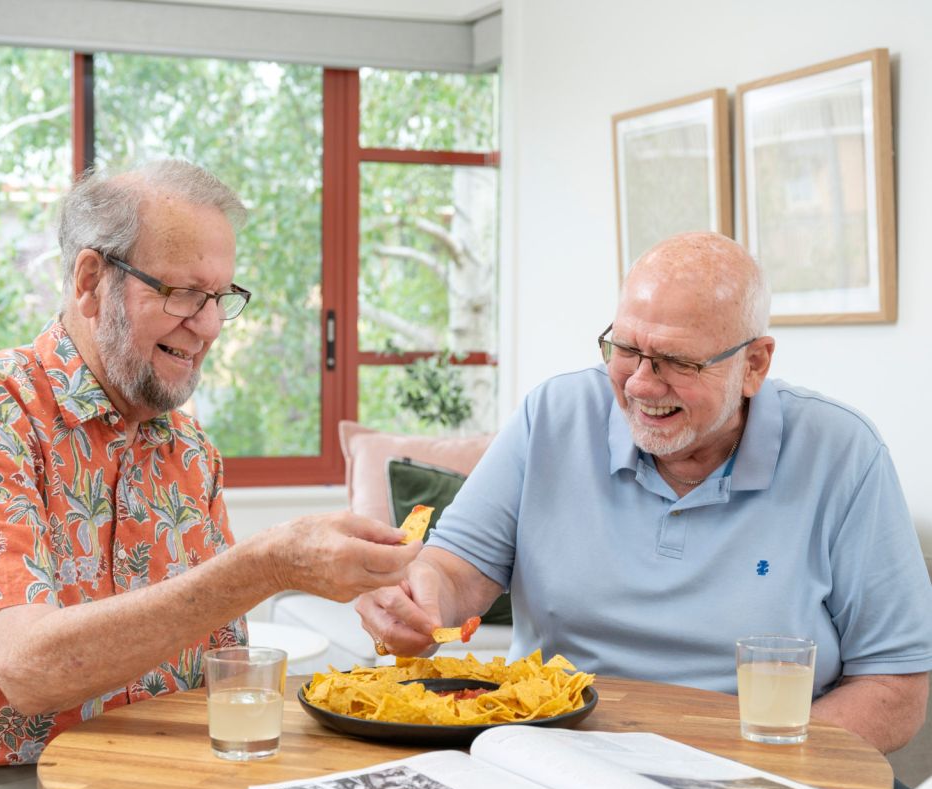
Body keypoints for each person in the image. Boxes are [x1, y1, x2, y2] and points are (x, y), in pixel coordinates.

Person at [0, 159, 419, 789]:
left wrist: (363, 592)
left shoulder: (191, 452)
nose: (210, 326)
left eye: (221, 297)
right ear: (91, 281)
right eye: (186, 294)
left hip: (165, 784)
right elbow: (30, 670)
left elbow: (220, 676)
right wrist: (268, 565)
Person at [357, 231, 932, 760]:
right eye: (626, 348)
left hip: (762, 766)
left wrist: (743, 764)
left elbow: (896, 688)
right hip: (556, 755)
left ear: (754, 365)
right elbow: (456, 571)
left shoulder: (843, 453)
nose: (639, 383)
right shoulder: (551, 416)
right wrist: (419, 602)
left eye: (678, 362)